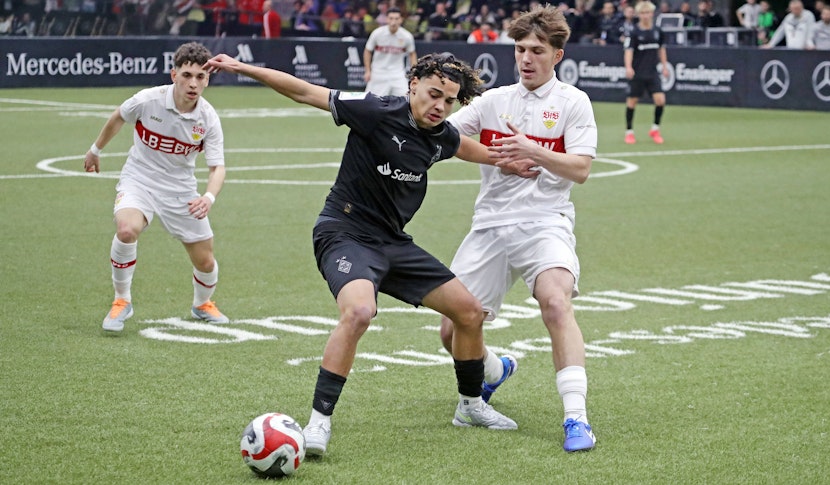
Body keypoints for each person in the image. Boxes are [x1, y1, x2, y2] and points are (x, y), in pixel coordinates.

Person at [203, 52, 537, 457]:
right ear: (413, 84)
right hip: (344, 233)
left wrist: (508, 162)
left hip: (393, 243)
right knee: (359, 311)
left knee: (468, 312)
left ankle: (470, 406)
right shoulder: (375, 111)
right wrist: (243, 68)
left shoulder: (439, 135)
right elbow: (304, 91)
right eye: (433, 95)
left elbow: (464, 147)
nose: (439, 107)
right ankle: (317, 423)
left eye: (448, 101)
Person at [439, 4, 598, 453]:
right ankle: (494, 369)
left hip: (545, 222)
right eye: (520, 49)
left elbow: (581, 169)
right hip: (490, 225)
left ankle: (576, 418)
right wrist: (489, 154)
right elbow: (446, 138)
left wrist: (534, 150)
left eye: (537, 50)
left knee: (554, 301)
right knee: (451, 332)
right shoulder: (493, 101)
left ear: (558, 55)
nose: (526, 58)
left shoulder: (572, 102)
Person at [83, 42, 229, 332]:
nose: (193, 83)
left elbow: (217, 168)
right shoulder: (147, 100)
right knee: (126, 229)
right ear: (173, 74)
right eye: (187, 75)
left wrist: (209, 197)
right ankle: (121, 300)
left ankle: (202, 304)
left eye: (200, 77)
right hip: (140, 178)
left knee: (205, 260)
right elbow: (118, 117)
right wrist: (95, 149)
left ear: (207, 80)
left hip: (181, 189)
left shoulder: (208, 118)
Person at [623, 0, 669, 145]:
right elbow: (628, 51)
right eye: (642, 13)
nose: (645, 15)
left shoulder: (657, 31)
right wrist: (628, 67)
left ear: (652, 13)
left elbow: (661, 49)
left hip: (652, 72)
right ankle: (629, 132)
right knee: (632, 102)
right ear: (638, 14)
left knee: (660, 100)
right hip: (638, 72)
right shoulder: (634, 32)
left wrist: (665, 66)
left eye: (648, 12)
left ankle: (655, 129)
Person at [363, 7, 417, 96]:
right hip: (378, 73)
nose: (393, 22)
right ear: (387, 19)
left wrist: (414, 73)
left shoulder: (407, 36)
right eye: (391, 18)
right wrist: (368, 70)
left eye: (396, 18)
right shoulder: (377, 33)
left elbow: (412, 54)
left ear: (401, 20)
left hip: (397, 74)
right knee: (369, 101)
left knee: (408, 99)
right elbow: (367, 51)